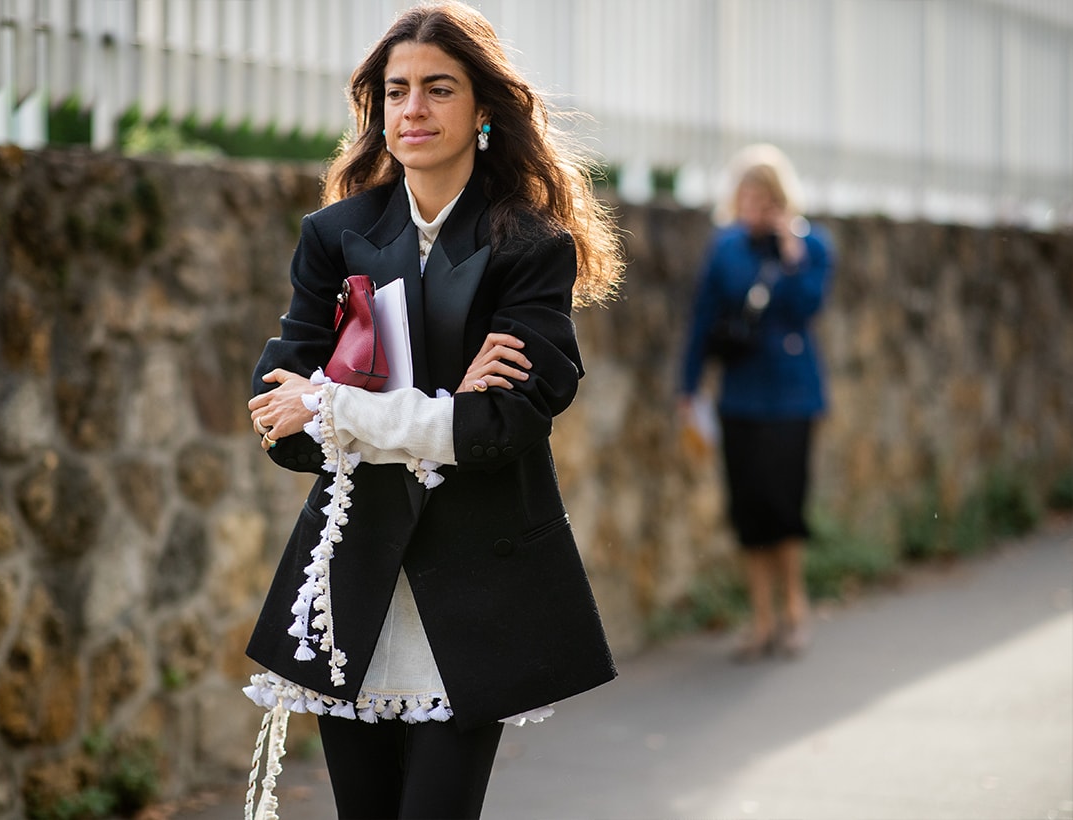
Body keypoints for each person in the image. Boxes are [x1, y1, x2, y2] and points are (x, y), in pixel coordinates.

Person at [242, 3, 624, 817]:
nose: (412, 110)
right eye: (397, 90)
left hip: (477, 586)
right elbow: (279, 417)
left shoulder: (531, 246)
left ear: (483, 109)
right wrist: (440, 409)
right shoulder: (334, 236)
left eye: (438, 89)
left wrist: (337, 405)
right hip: (355, 577)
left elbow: (503, 428)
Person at [678, 143, 835, 663]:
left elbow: (807, 305)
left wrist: (791, 254)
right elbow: (704, 318)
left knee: (784, 506)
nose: (754, 204)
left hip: (792, 396)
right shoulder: (725, 249)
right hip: (741, 396)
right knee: (748, 508)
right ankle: (761, 618)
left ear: (781, 199)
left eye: (764, 196)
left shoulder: (812, 246)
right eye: (747, 194)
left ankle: (795, 608)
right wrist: (689, 385)